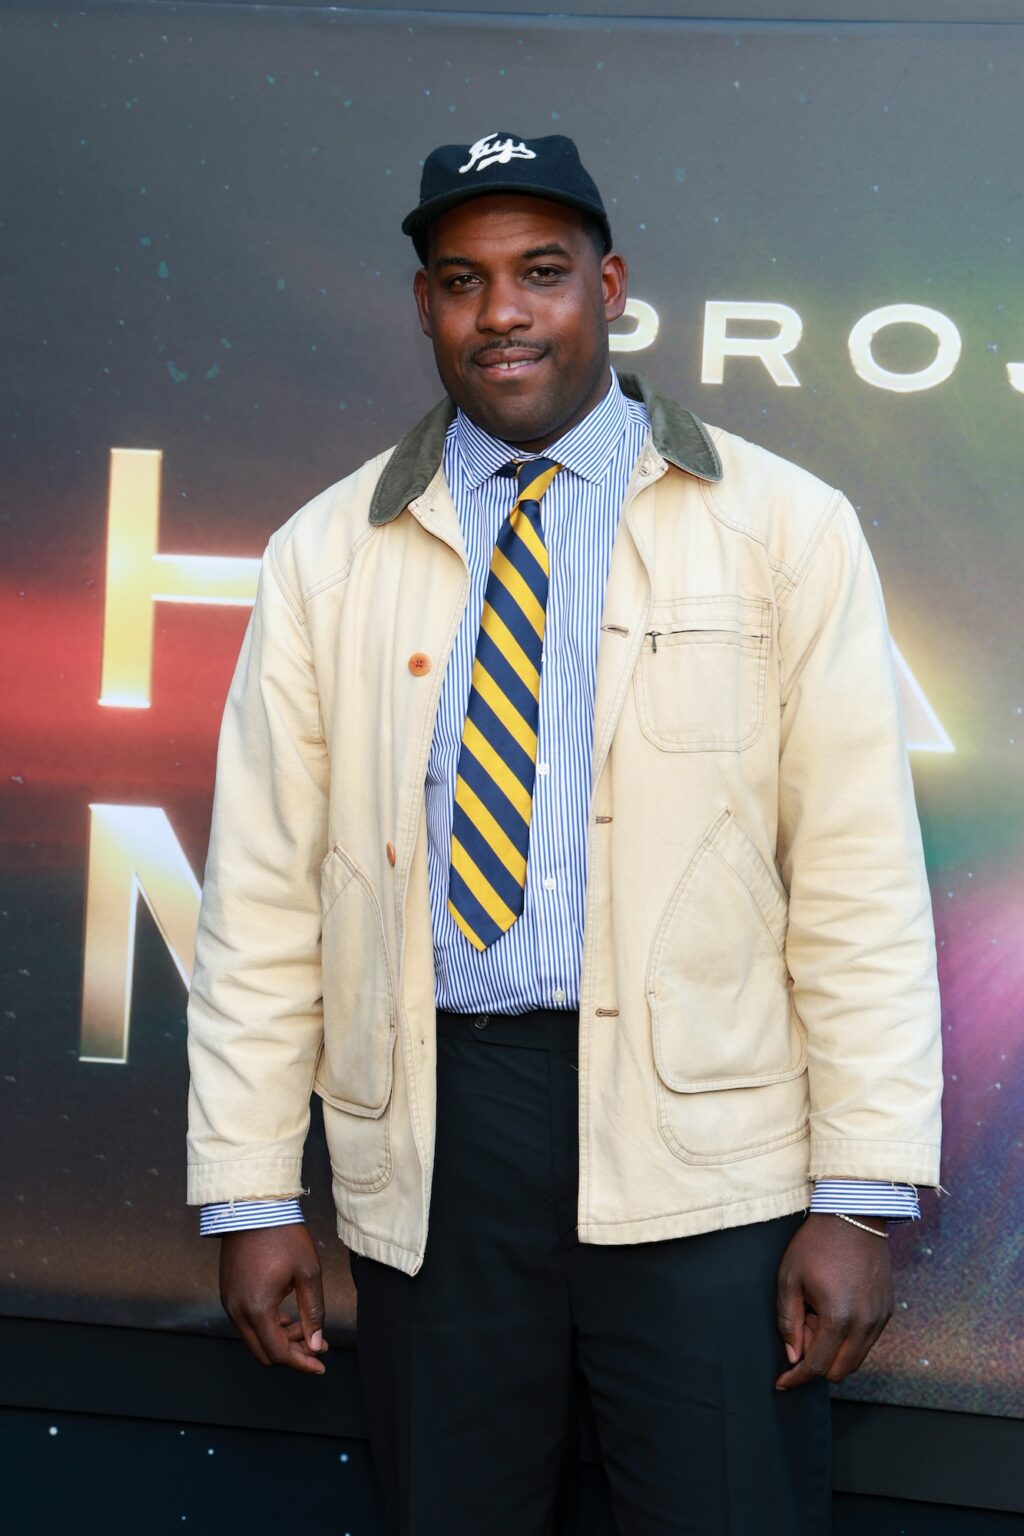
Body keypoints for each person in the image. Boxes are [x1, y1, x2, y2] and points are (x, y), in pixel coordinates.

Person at [186, 131, 942, 1534]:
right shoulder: (325, 552)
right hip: (437, 1141)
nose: (504, 313)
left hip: (707, 1151)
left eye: (541, 273)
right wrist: (246, 1198)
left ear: (612, 287)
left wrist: (858, 1196)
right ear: (425, 308)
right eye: (462, 282)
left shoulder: (781, 527)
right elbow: (264, 898)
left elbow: (857, 879)